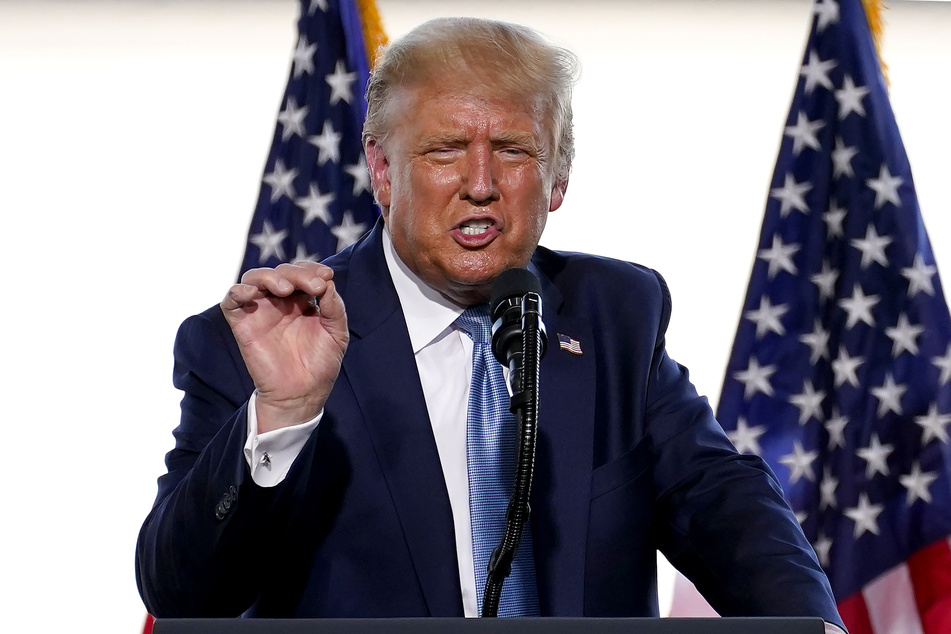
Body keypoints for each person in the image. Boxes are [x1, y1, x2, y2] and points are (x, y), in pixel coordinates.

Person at [136, 17, 845, 630]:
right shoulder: (267, 339)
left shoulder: (612, 312)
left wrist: (811, 628)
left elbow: (719, 503)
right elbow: (183, 592)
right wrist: (284, 413)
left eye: (512, 149)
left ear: (557, 178)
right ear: (381, 171)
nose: (480, 182)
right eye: (444, 149)